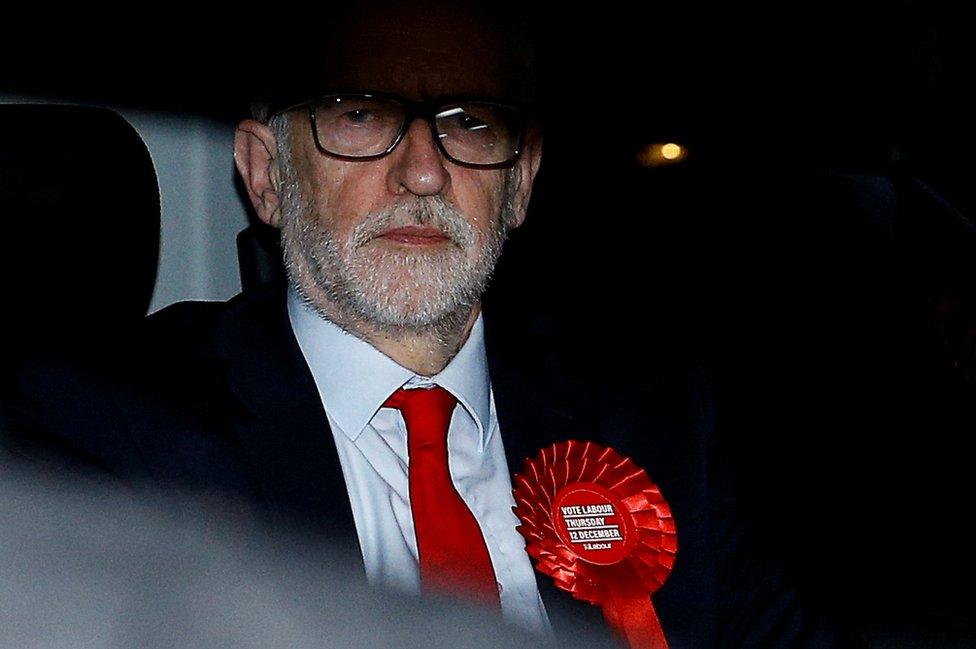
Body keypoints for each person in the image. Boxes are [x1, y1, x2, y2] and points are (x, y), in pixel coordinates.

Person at [5, 1, 859, 646]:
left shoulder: (652, 407)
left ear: (520, 182)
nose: (422, 172)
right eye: (361, 117)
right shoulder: (110, 433)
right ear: (266, 175)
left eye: (469, 124)